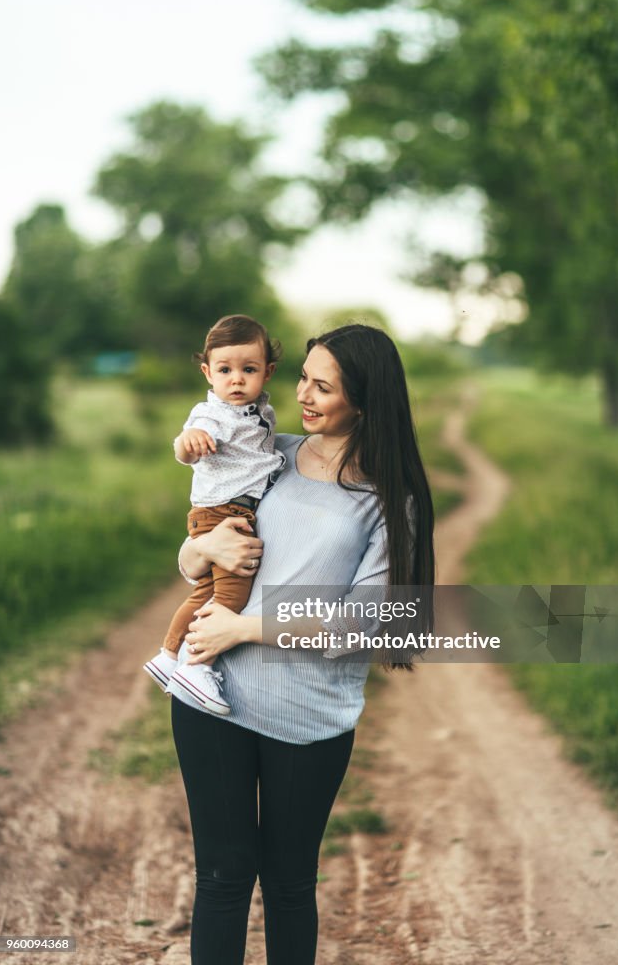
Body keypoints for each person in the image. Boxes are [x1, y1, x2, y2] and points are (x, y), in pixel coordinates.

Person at [170, 324, 435, 965]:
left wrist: (246, 627)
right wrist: (199, 549)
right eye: (302, 378)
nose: (304, 396)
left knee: (289, 883)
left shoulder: (386, 500)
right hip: (213, 698)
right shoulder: (270, 455)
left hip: (310, 718)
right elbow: (194, 562)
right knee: (222, 878)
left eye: (324, 385)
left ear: (366, 399)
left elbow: (363, 622)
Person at [143, 314, 285, 715]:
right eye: (224, 370)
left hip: (228, 509)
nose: (236, 380)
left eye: (249, 369)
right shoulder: (212, 414)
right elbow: (184, 449)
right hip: (220, 513)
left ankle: (169, 656)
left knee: (204, 592)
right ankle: (197, 666)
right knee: (230, 595)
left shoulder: (261, 411)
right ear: (208, 373)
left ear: (268, 372)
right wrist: (188, 441)